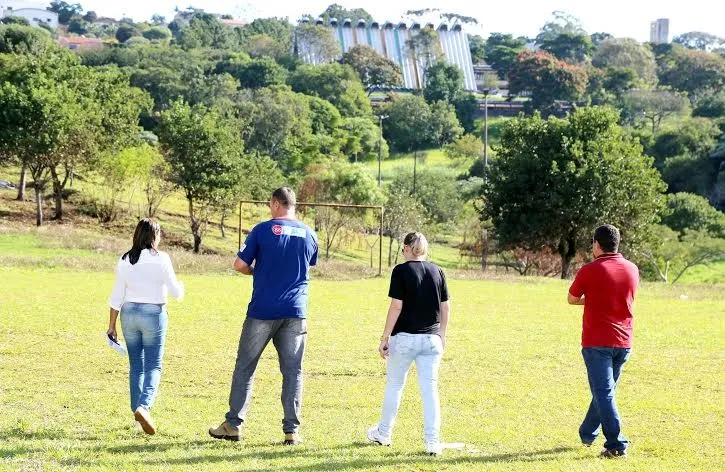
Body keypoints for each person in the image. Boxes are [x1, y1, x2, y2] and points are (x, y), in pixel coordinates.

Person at [209, 187, 318, 445]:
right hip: (296, 312)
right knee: (293, 372)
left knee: (245, 367)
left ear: (275, 204)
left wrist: (256, 272)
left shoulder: (261, 230)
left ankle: (233, 425)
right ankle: (292, 431)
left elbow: (239, 264)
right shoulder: (310, 234)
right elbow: (309, 265)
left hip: (262, 310)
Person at [367, 232, 451, 456]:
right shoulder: (438, 271)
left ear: (406, 248)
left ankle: (383, 433)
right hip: (432, 340)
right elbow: (445, 307)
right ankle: (433, 442)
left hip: (404, 338)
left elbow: (396, 306)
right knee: (430, 390)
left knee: (395, 385)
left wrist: (384, 338)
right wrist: (442, 334)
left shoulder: (401, 271)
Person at [568, 224, 639, 459]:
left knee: (604, 393)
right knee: (604, 392)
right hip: (624, 341)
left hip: (597, 341)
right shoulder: (632, 269)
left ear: (597, 245)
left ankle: (616, 444)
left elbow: (572, 298)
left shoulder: (589, 270)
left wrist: (592, 299)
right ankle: (587, 432)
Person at [107, 218, 184, 435]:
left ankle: (137, 418)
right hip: (153, 314)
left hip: (128, 314)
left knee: (136, 366)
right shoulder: (161, 259)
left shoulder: (125, 259)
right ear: (154, 236)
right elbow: (176, 293)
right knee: (153, 366)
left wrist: (111, 325)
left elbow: (116, 296)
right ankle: (144, 407)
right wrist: (182, 288)